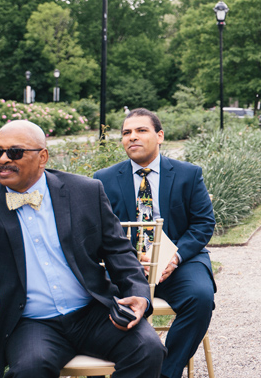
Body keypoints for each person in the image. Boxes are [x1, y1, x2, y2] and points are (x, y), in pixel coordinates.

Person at [0, 120, 166, 378]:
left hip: (92, 312)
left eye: (15, 152)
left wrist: (139, 295)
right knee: (29, 370)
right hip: (32, 323)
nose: (3, 160)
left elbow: (118, 251)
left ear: (42, 157)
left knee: (148, 349)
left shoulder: (84, 191)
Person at [95, 108, 216, 378]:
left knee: (200, 298)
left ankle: (164, 373)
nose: (132, 137)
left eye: (141, 130)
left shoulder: (188, 174)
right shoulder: (103, 179)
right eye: (126, 133)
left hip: (179, 263)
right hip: (124, 264)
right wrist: (125, 258)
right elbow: (97, 231)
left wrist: (175, 258)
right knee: (96, 301)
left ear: (159, 136)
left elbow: (203, 223)